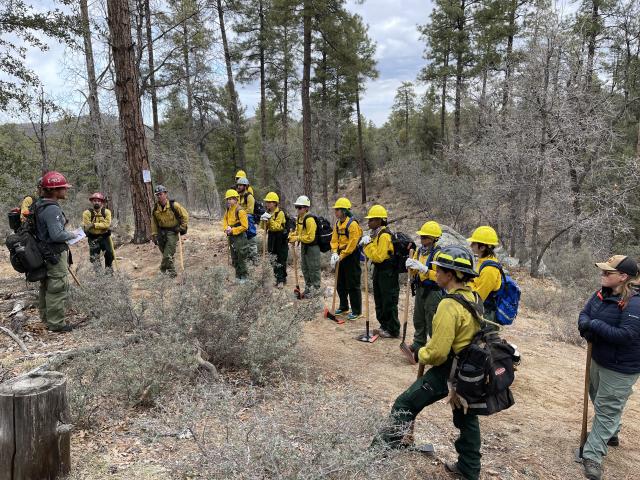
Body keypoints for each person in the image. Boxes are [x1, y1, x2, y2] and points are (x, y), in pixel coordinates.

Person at [372, 245, 482, 480]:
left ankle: (376, 455)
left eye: (439, 270)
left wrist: (421, 353)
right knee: (465, 415)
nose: (435, 273)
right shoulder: (473, 297)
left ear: (451, 275)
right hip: (470, 369)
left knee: (405, 403)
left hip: (449, 369)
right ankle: (470, 469)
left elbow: (438, 353)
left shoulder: (449, 305)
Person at [578, 255, 640, 480]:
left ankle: (592, 455)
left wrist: (594, 325)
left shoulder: (635, 303)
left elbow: (627, 335)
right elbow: (585, 313)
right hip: (598, 358)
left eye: (607, 273)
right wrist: (585, 326)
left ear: (623, 277)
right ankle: (612, 433)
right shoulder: (601, 294)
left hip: (621, 367)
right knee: (596, 396)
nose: (602, 275)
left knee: (607, 409)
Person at [35, 171, 76, 333]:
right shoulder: (52, 209)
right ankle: (56, 323)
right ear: (53, 190)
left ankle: (46, 318)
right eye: (62, 188)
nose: (65, 190)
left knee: (46, 285)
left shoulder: (39, 204)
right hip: (53, 254)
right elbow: (57, 235)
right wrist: (73, 234)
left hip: (43, 253)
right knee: (57, 286)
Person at [361, 204, 400, 337]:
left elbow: (378, 257)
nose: (369, 222)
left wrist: (368, 244)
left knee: (388, 300)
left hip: (387, 272)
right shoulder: (376, 235)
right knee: (379, 298)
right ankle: (384, 325)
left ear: (379, 220)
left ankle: (393, 329)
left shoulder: (384, 236)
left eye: (371, 219)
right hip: (379, 271)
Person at [405, 221, 444, 350]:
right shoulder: (419, 251)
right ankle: (418, 343)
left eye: (425, 237)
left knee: (432, 319)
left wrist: (425, 270)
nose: (422, 239)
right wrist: (411, 267)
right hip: (420, 289)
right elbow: (415, 270)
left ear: (434, 239)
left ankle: (435, 347)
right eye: (421, 236)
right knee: (418, 317)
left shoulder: (438, 254)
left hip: (433, 291)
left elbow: (440, 276)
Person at [330, 197, 362, 320]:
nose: (335, 212)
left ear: (343, 210)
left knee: (353, 283)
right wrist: (334, 252)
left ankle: (356, 310)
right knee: (340, 282)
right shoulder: (337, 223)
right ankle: (344, 306)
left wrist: (341, 256)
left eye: (337, 209)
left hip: (350, 256)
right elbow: (334, 240)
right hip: (339, 255)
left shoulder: (352, 224)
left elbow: (352, 244)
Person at [467, 226, 502, 327]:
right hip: (481, 311)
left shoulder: (489, 269)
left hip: (486, 315)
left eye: (474, 243)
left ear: (482, 247)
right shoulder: (483, 261)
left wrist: (468, 283)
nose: (471, 245)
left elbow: (479, 297)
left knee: (484, 342)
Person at [150, 185, 189, 277]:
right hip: (161, 233)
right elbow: (154, 222)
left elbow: (185, 215)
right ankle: (172, 273)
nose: (159, 196)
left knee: (167, 254)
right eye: (157, 195)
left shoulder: (174, 205)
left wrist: (182, 227)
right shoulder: (156, 208)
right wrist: (154, 235)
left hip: (173, 232)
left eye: (161, 194)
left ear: (166, 194)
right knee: (165, 253)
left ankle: (162, 272)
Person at [288, 195, 320, 297]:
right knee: (305, 268)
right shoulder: (299, 218)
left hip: (312, 247)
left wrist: (297, 238)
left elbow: (310, 237)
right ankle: (308, 289)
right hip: (304, 246)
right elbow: (299, 231)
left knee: (313, 269)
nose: (298, 209)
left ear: (306, 208)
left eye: (300, 207)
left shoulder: (309, 219)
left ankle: (315, 290)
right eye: (296, 207)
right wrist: (293, 235)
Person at [260, 192, 288, 287]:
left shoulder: (280, 213)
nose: (267, 204)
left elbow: (277, 227)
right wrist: (263, 220)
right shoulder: (267, 213)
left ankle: (281, 279)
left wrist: (270, 219)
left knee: (281, 259)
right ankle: (277, 278)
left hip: (280, 238)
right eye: (266, 202)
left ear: (275, 203)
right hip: (272, 237)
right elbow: (263, 227)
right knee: (273, 258)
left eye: (269, 202)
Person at [82, 192, 114, 271]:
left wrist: (94, 225)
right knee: (94, 258)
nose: (96, 202)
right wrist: (100, 226)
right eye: (94, 200)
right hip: (93, 238)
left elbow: (107, 224)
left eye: (99, 201)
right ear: (92, 202)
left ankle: (109, 273)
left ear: (102, 202)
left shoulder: (107, 212)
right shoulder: (86, 213)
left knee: (109, 255)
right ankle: (98, 276)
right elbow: (87, 226)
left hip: (105, 237)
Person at [223, 189, 249, 283]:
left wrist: (233, 230)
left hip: (240, 236)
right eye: (228, 199)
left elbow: (245, 226)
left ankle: (245, 276)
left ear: (236, 199)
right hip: (231, 236)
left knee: (241, 255)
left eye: (231, 199)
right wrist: (226, 228)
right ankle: (238, 275)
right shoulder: (228, 209)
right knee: (234, 256)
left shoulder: (240, 210)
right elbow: (225, 220)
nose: (229, 201)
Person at [236, 176, 258, 263]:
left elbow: (250, 210)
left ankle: (254, 259)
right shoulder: (238, 197)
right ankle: (246, 259)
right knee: (243, 241)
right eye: (238, 185)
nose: (238, 187)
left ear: (245, 186)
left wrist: (240, 212)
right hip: (240, 221)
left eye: (241, 185)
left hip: (249, 221)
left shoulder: (249, 197)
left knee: (251, 240)